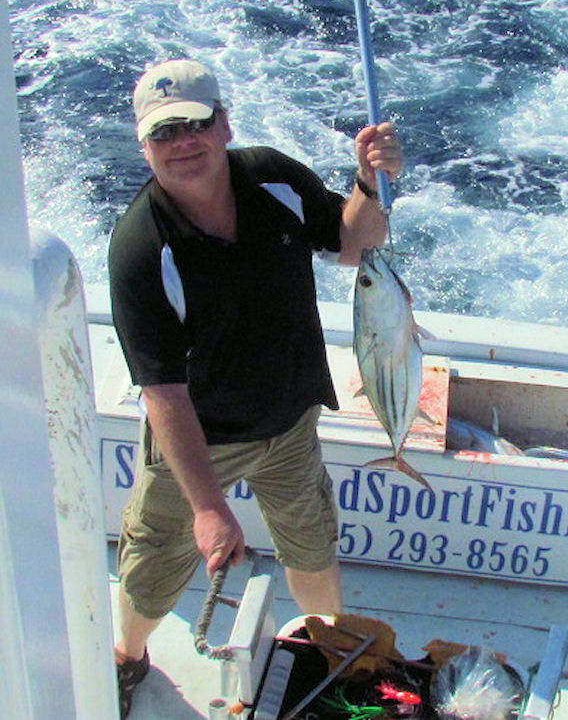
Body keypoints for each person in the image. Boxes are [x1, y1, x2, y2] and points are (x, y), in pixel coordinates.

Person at [108, 58, 403, 717]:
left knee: (312, 544)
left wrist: (370, 180)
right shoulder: (140, 249)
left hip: (291, 420)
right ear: (143, 145)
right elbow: (164, 395)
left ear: (224, 124)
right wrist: (208, 506)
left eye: (196, 123)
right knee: (155, 569)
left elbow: (354, 244)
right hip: (198, 439)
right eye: (164, 133)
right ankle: (127, 656)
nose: (183, 142)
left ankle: (329, 649)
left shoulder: (273, 176)